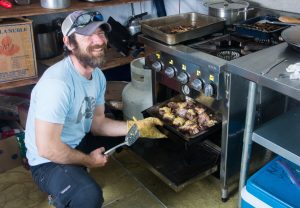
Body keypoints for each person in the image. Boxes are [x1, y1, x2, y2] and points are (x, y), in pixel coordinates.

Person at [24, 10, 166, 208]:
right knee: (88, 196)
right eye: (88, 35)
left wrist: (138, 126)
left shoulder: (97, 75)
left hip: (77, 142)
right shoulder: (57, 84)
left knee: (133, 134)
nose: (99, 41)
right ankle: (64, 193)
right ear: (69, 42)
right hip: (47, 162)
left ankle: (77, 174)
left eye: (100, 33)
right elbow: (47, 148)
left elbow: (97, 123)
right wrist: (90, 161)